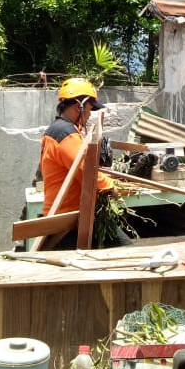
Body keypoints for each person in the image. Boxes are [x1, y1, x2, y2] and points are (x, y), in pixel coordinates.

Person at [37, 77, 131, 247]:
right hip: (67, 221)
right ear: (78, 107)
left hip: (69, 216)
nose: (89, 115)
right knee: (125, 249)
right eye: (88, 110)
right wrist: (110, 186)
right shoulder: (65, 134)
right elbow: (86, 171)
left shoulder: (59, 130)